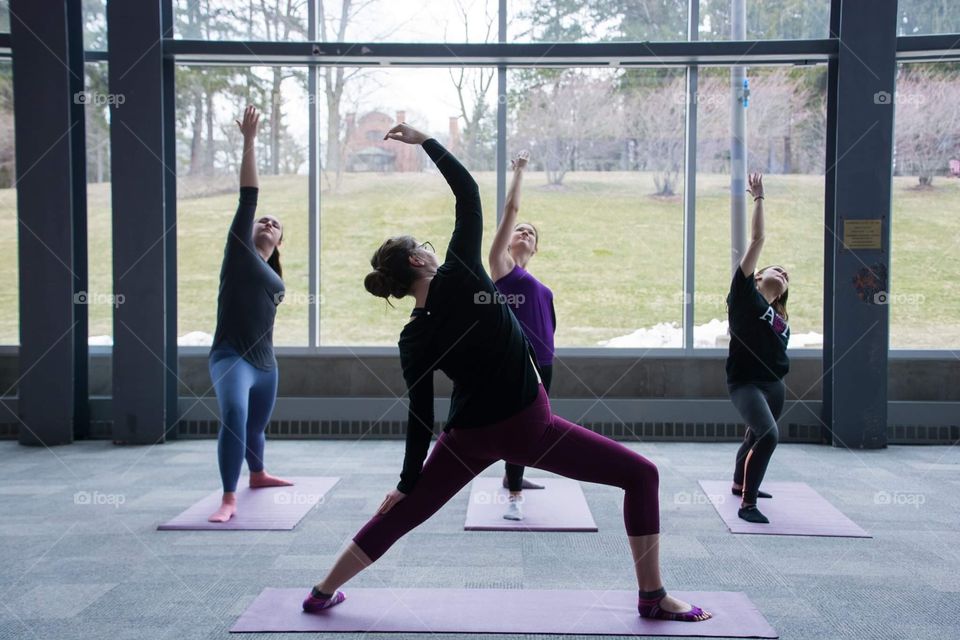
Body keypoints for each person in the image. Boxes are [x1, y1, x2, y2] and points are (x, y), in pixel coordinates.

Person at [301, 122, 710, 623]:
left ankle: (322, 591)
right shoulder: (462, 271)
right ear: (418, 259)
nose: (432, 247)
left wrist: (408, 481)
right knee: (642, 476)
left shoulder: (413, 334)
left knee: (404, 512)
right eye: (425, 245)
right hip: (526, 427)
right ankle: (652, 596)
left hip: (465, 436)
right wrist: (425, 140)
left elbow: (418, 413)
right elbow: (467, 191)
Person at [207, 105, 292, 523]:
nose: (267, 223)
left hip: (265, 364)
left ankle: (257, 474)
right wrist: (249, 141)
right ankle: (228, 496)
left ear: (279, 241)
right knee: (235, 417)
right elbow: (249, 197)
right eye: (263, 220)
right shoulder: (238, 254)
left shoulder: (274, 277)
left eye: (275, 224)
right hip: (231, 357)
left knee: (256, 426)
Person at [488, 149, 556, 521]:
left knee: (532, 424)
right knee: (521, 425)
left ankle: (514, 476)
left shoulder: (538, 283)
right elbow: (510, 211)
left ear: (536, 246)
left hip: (543, 362)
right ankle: (514, 494)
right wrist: (520, 171)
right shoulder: (501, 268)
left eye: (531, 233)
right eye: (519, 230)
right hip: (519, 363)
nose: (524, 232)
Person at [725, 173, 790, 524]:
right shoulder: (744, 297)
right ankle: (747, 503)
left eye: (787, 276)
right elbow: (759, 238)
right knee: (768, 435)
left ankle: (739, 482)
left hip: (775, 385)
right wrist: (759, 198)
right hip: (746, 383)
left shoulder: (779, 315)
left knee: (755, 435)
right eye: (775, 269)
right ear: (759, 274)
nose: (782, 273)